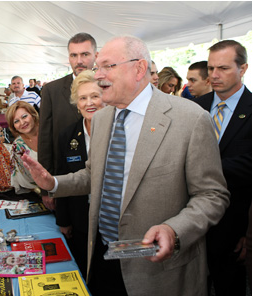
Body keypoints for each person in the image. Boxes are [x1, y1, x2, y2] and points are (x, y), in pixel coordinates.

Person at [21, 35, 229, 295]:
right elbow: (95, 174)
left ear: (139, 68)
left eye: (108, 66)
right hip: (102, 255)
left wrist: (174, 230)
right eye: (97, 67)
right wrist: (53, 182)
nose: (98, 76)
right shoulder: (102, 118)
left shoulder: (190, 119)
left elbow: (212, 196)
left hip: (158, 271)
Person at [191, 40, 251, 296]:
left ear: (243, 68)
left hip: (233, 228)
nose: (214, 75)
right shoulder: (195, 107)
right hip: (192, 223)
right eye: (211, 68)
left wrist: (248, 233)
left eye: (223, 68)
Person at [55, 70, 106, 278]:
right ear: (76, 103)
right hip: (80, 219)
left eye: (95, 96)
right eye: (83, 98)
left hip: (113, 221)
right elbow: (62, 176)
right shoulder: (67, 136)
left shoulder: (120, 131)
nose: (89, 103)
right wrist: (64, 221)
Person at [38, 32, 97, 209]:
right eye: (74, 55)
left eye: (85, 54)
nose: (79, 61)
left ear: (96, 56)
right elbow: (45, 140)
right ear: (69, 58)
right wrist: (45, 189)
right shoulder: (52, 91)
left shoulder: (108, 86)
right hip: (65, 179)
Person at [5, 101, 41, 196]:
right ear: (14, 127)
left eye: (24, 116)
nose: (22, 123)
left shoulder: (50, 130)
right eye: (16, 121)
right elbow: (27, 179)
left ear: (33, 115)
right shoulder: (18, 146)